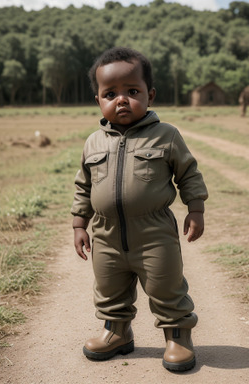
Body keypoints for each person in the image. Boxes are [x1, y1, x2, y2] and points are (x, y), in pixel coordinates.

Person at [71, 47, 208, 372]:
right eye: (111, 93)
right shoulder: (93, 142)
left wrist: (196, 208)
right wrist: (79, 224)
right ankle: (115, 333)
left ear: (150, 95)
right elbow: (83, 186)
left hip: (154, 234)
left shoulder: (166, 135)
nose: (121, 99)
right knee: (108, 288)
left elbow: (188, 172)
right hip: (105, 235)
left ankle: (177, 336)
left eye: (132, 91)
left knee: (166, 286)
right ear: (98, 101)